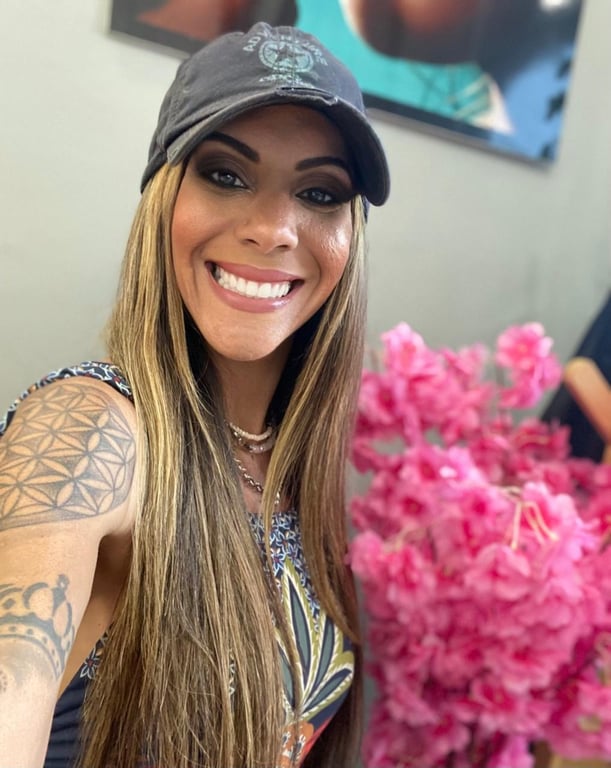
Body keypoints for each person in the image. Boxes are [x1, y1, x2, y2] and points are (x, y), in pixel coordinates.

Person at [0, 21, 389, 768]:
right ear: (164, 200)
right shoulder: (89, 430)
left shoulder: (295, 472)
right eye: (226, 174)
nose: (273, 230)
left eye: (319, 192)